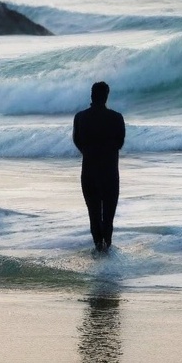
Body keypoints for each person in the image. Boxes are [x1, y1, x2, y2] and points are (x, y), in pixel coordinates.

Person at [72, 81, 125, 253]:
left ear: (91, 95)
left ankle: (98, 249)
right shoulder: (117, 118)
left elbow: (77, 141)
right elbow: (120, 143)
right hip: (110, 172)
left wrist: (89, 153)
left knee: (94, 214)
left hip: (89, 171)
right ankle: (107, 250)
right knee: (108, 217)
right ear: (106, 96)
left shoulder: (80, 117)